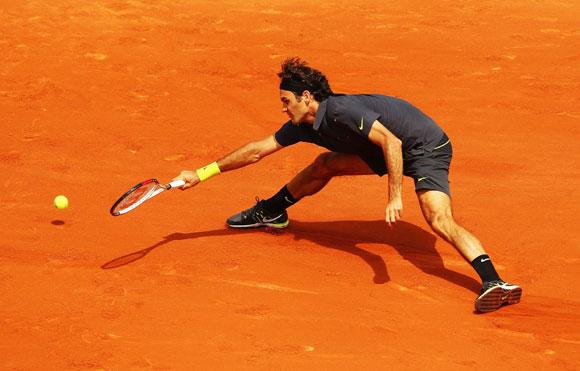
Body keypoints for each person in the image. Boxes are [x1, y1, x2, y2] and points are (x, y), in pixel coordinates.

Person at [172, 57, 522, 313]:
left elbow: (393, 144)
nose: (282, 108)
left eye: (286, 101)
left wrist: (394, 196)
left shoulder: (341, 111)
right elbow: (257, 151)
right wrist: (201, 174)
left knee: (438, 218)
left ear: (306, 96)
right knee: (325, 163)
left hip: (424, 147)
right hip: (381, 148)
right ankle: (272, 211)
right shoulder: (303, 125)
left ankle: (494, 281)